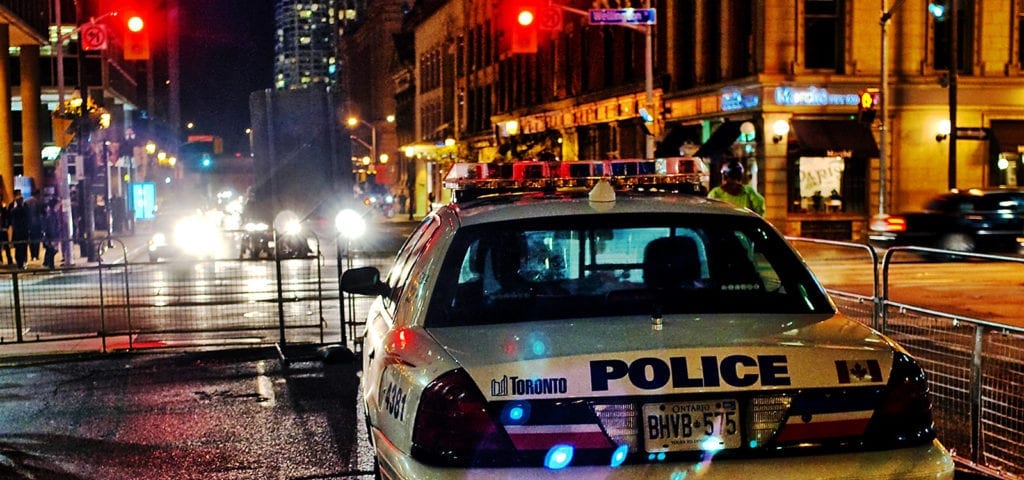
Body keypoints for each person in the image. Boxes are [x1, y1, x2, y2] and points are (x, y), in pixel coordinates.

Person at [8, 190, 29, 269]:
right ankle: (23, 261)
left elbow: (11, 221)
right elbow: (28, 219)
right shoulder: (25, 209)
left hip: (17, 231)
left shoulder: (13, 210)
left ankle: (19, 262)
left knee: (18, 248)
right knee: (23, 247)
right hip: (23, 231)